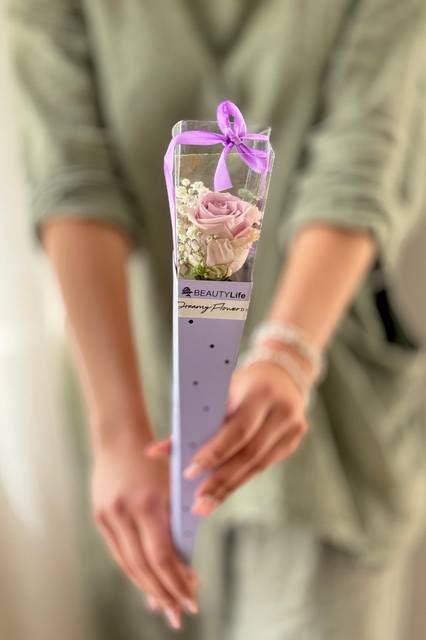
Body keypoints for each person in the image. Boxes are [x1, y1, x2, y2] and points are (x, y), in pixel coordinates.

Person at [6, 0, 426, 638]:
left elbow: (360, 164)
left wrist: (288, 352)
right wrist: (118, 432)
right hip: (132, 401)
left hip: (324, 422)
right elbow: (72, 178)